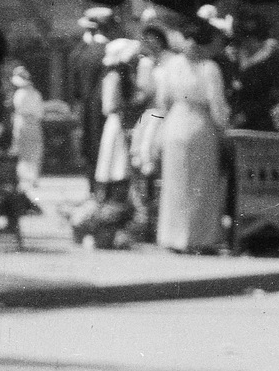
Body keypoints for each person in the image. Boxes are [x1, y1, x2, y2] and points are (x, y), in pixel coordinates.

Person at [152, 17, 230, 254]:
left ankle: (173, 238)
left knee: (176, 184)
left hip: (175, 123)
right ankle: (199, 239)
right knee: (200, 185)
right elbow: (217, 106)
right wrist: (224, 130)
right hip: (199, 125)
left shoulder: (170, 66)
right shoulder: (209, 68)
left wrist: (157, 131)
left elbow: (161, 102)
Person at [129, 21, 173, 240]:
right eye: (146, 40)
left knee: (157, 161)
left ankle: (158, 216)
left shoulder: (171, 61)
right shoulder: (146, 64)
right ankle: (146, 215)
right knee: (143, 159)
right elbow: (143, 94)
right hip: (152, 115)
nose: (149, 43)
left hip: (167, 114)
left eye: (152, 38)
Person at [94, 38, 140, 201]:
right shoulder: (113, 78)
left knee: (119, 163)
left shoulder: (121, 77)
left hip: (120, 121)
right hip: (117, 121)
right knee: (115, 162)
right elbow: (109, 106)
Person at [70, 7, 114, 178]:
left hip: (88, 107)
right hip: (105, 107)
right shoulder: (109, 50)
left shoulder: (81, 53)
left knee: (90, 146)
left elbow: (76, 89)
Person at [231, 10, 279, 132]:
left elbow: (273, 96)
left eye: (252, 40)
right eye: (244, 40)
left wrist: (247, 115)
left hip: (261, 123)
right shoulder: (237, 59)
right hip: (236, 121)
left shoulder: (271, 62)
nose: (247, 44)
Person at [9, 65, 46, 208]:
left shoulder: (20, 94)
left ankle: (27, 178)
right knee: (32, 151)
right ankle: (31, 178)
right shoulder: (35, 93)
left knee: (24, 151)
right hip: (32, 124)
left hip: (24, 123)